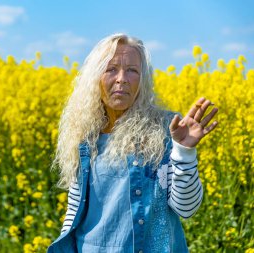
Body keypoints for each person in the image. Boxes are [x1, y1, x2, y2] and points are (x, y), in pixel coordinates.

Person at [47, 33, 218, 253]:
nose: (121, 78)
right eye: (111, 69)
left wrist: (184, 151)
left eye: (132, 70)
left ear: (143, 80)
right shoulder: (84, 136)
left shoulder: (167, 129)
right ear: (94, 77)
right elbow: (75, 209)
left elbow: (187, 208)